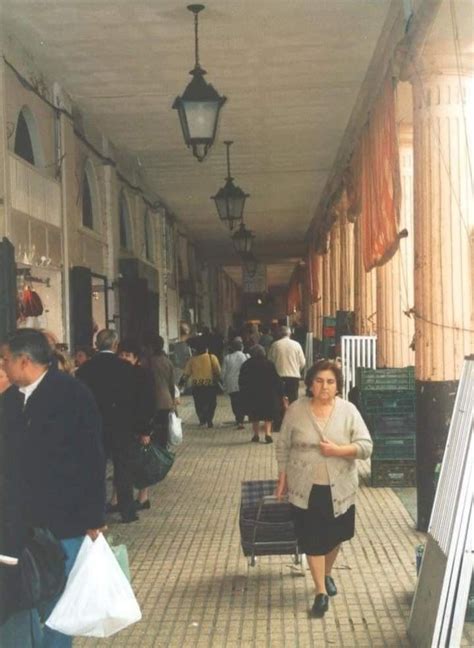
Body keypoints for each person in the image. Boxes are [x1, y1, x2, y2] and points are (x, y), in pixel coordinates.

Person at [1, 329, 105, 647]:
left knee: (61, 603)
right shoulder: (10, 401)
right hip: (22, 524)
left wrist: (95, 519)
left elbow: (93, 458)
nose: (3, 366)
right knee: (30, 595)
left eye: (5, 360)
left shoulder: (72, 394)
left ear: (24, 360)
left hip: (66, 522)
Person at [275, 360, 372, 618]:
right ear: (310, 384)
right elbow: (283, 445)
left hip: (339, 487)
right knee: (312, 538)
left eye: (330, 382)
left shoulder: (349, 411)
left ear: (338, 386)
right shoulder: (296, 410)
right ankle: (320, 591)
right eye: (319, 381)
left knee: (336, 536)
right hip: (305, 487)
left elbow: (366, 446)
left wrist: (338, 450)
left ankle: (327, 573)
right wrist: (282, 476)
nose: (324, 386)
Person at [76, 329, 139, 523]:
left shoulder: (84, 369)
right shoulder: (126, 368)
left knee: (95, 469)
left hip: (94, 426)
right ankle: (127, 511)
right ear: (115, 345)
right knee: (123, 468)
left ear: (97, 344)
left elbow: (79, 400)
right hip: (121, 426)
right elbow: (133, 399)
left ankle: (96, 512)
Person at [118, 339, 156, 510]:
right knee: (124, 464)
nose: (124, 358)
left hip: (140, 427)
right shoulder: (119, 373)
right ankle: (118, 498)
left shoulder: (144, 375)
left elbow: (148, 404)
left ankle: (143, 497)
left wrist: (146, 430)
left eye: (128, 355)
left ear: (136, 359)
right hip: (124, 426)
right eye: (122, 355)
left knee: (141, 462)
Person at [238, 344, 285, 444]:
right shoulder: (269, 364)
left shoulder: (246, 364)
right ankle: (268, 434)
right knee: (268, 415)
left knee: (254, 415)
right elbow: (276, 379)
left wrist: (243, 393)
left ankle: (256, 435)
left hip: (253, 394)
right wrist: (281, 393)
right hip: (268, 393)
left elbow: (242, 380)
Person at [143, 334, 176, 449]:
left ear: (151, 347)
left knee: (153, 430)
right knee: (164, 430)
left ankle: (156, 454)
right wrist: (173, 402)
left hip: (152, 401)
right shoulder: (167, 362)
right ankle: (163, 452)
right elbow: (172, 385)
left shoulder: (147, 362)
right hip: (166, 401)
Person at [180, 337, 221, 428]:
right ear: (206, 348)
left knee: (199, 404)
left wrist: (181, 383)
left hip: (197, 386)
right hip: (210, 385)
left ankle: (202, 420)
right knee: (211, 403)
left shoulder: (192, 360)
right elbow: (218, 371)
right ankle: (209, 419)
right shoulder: (212, 357)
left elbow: (186, 374)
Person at [268, 325, 306, 403]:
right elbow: (303, 362)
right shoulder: (297, 345)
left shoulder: (275, 345)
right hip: (293, 377)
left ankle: (282, 414)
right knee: (293, 401)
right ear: (289, 334)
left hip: (278, 377)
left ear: (279, 334)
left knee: (279, 401)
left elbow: (270, 362)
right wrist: (297, 370)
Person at [221, 337, 248, 429]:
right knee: (243, 401)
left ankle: (238, 419)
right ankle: (241, 419)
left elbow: (223, 373)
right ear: (242, 347)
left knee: (235, 402)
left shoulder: (227, 358)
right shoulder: (247, 357)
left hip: (231, 384)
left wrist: (223, 383)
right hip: (244, 383)